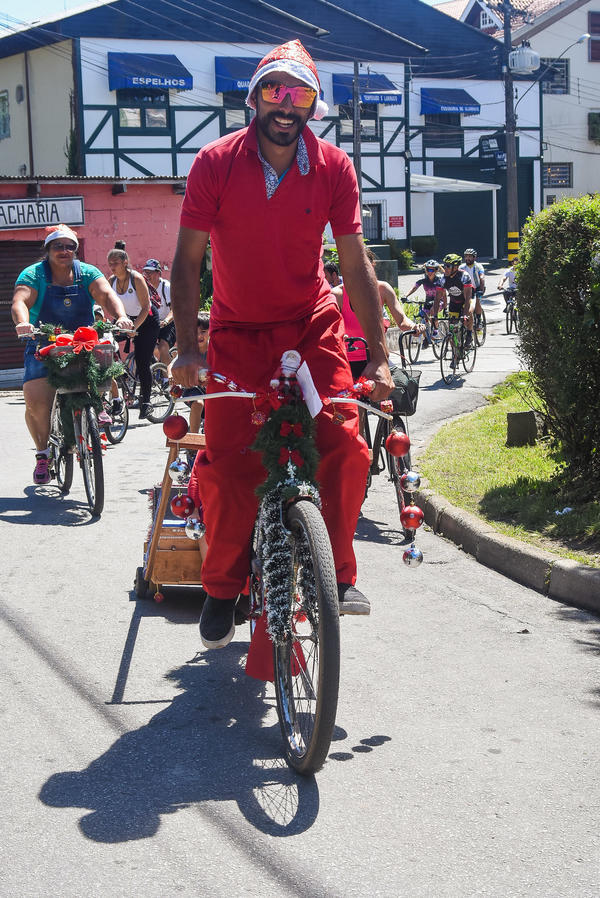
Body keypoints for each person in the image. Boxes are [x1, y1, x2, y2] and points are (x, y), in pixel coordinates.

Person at [170, 39, 393, 650]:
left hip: (311, 326)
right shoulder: (215, 162)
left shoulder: (334, 167)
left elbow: (354, 261)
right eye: (274, 90)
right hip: (236, 333)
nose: (286, 105)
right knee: (229, 467)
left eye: (299, 93)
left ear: (314, 105)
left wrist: (377, 354)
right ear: (254, 98)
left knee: (345, 443)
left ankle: (338, 577)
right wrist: (187, 348)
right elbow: (188, 262)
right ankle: (221, 588)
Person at [11, 224, 133, 484]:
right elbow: (20, 301)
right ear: (48, 250)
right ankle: (43, 454)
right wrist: (23, 323)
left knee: (103, 367)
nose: (64, 251)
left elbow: (106, 294)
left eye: (70, 246)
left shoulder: (87, 272)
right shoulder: (33, 274)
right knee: (36, 403)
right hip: (44, 342)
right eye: (58, 246)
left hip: (82, 340)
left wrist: (121, 316)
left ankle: (96, 412)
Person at [334, 248, 423, 379]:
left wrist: (414, 327)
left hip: (377, 359)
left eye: (364, 266)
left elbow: (402, 320)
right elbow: (330, 329)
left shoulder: (383, 289)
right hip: (348, 362)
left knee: (403, 386)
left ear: (372, 266)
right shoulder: (338, 295)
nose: (359, 272)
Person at [107, 241, 160, 420]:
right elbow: (108, 304)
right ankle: (118, 395)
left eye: (115, 263)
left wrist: (134, 328)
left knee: (141, 361)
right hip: (126, 320)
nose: (112, 267)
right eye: (110, 263)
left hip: (147, 321)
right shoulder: (111, 281)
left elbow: (146, 308)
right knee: (107, 347)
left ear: (125, 262)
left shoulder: (136, 278)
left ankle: (146, 401)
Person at [403, 259, 445, 346]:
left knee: (433, 310)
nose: (429, 272)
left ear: (436, 270)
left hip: (438, 303)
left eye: (431, 270)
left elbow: (444, 294)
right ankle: (426, 338)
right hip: (428, 302)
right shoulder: (423, 280)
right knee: (422, 318)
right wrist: (405, 296)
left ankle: (436, 331)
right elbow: (414, 287)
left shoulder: (439, 281)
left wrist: (445, 306)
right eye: (427, 269)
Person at [435, 253, 473, 346]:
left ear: (455, 267)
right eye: (444, 265)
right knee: (452, 331)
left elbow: (468, 297)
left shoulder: (464, 276)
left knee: (469, 313)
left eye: (448, 266)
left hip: (465, 301)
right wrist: (435, 315)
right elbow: (437, 298)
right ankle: (455, 357)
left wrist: (465, 314)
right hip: (454, 303)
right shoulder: (443, 278)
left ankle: (469, 334)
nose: (445, 268)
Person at [142, 259, 175, 366]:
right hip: (154, 323)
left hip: (169, 322)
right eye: (145, 272)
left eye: (150, 272)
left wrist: (165, 321)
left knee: (162, 347)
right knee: (142, 345)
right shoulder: (144, 288)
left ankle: (168, 379)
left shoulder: (166, 286)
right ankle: (158, 367)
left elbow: (174, 310)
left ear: (158, 273)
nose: (147, 275)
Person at [460, 248, 485, 327]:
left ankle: (479, 320)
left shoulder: (478, 266)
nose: (467, 258)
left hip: (476, 288)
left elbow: (482, 277)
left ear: (474, 257)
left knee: (477, 301)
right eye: (466, 256)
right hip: (465, 288)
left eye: (470, 256)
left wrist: (481, 289)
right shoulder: (462, 267)